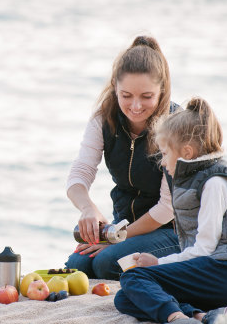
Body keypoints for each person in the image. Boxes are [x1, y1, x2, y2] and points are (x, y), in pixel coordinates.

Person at [114, 97, 227, 324]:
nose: (162, 162)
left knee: (135, 278)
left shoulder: (215, 182)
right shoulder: (202, 177)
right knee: (125, 298)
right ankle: (201, 317)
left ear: (186, 152)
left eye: (164, 154)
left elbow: (204, 249)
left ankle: (177, 319)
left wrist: (158, 262)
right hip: (220, 276)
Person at [65, 35, 180, 280]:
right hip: (123, 225)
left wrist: (118, 239)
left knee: (107, 262)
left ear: (162, 91)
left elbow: (167, 209)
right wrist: (89, 208)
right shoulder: (103, 119)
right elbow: (80, 173)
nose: (135, 106)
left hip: (173, 231)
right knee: (78, 265)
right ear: (115, 88)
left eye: (146, 96)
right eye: (126, 95)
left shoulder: (175, 126)